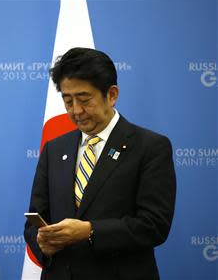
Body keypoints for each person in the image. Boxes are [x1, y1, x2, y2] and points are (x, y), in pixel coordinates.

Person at [24, 47, 176, 280]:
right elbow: (34, 221)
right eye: (68, 101)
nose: (76, 111)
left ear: (112, 94)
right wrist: (42, 243)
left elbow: (154, 226)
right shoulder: (55, 149)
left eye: (84, 100)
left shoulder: (150, 147)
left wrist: (89, 231)